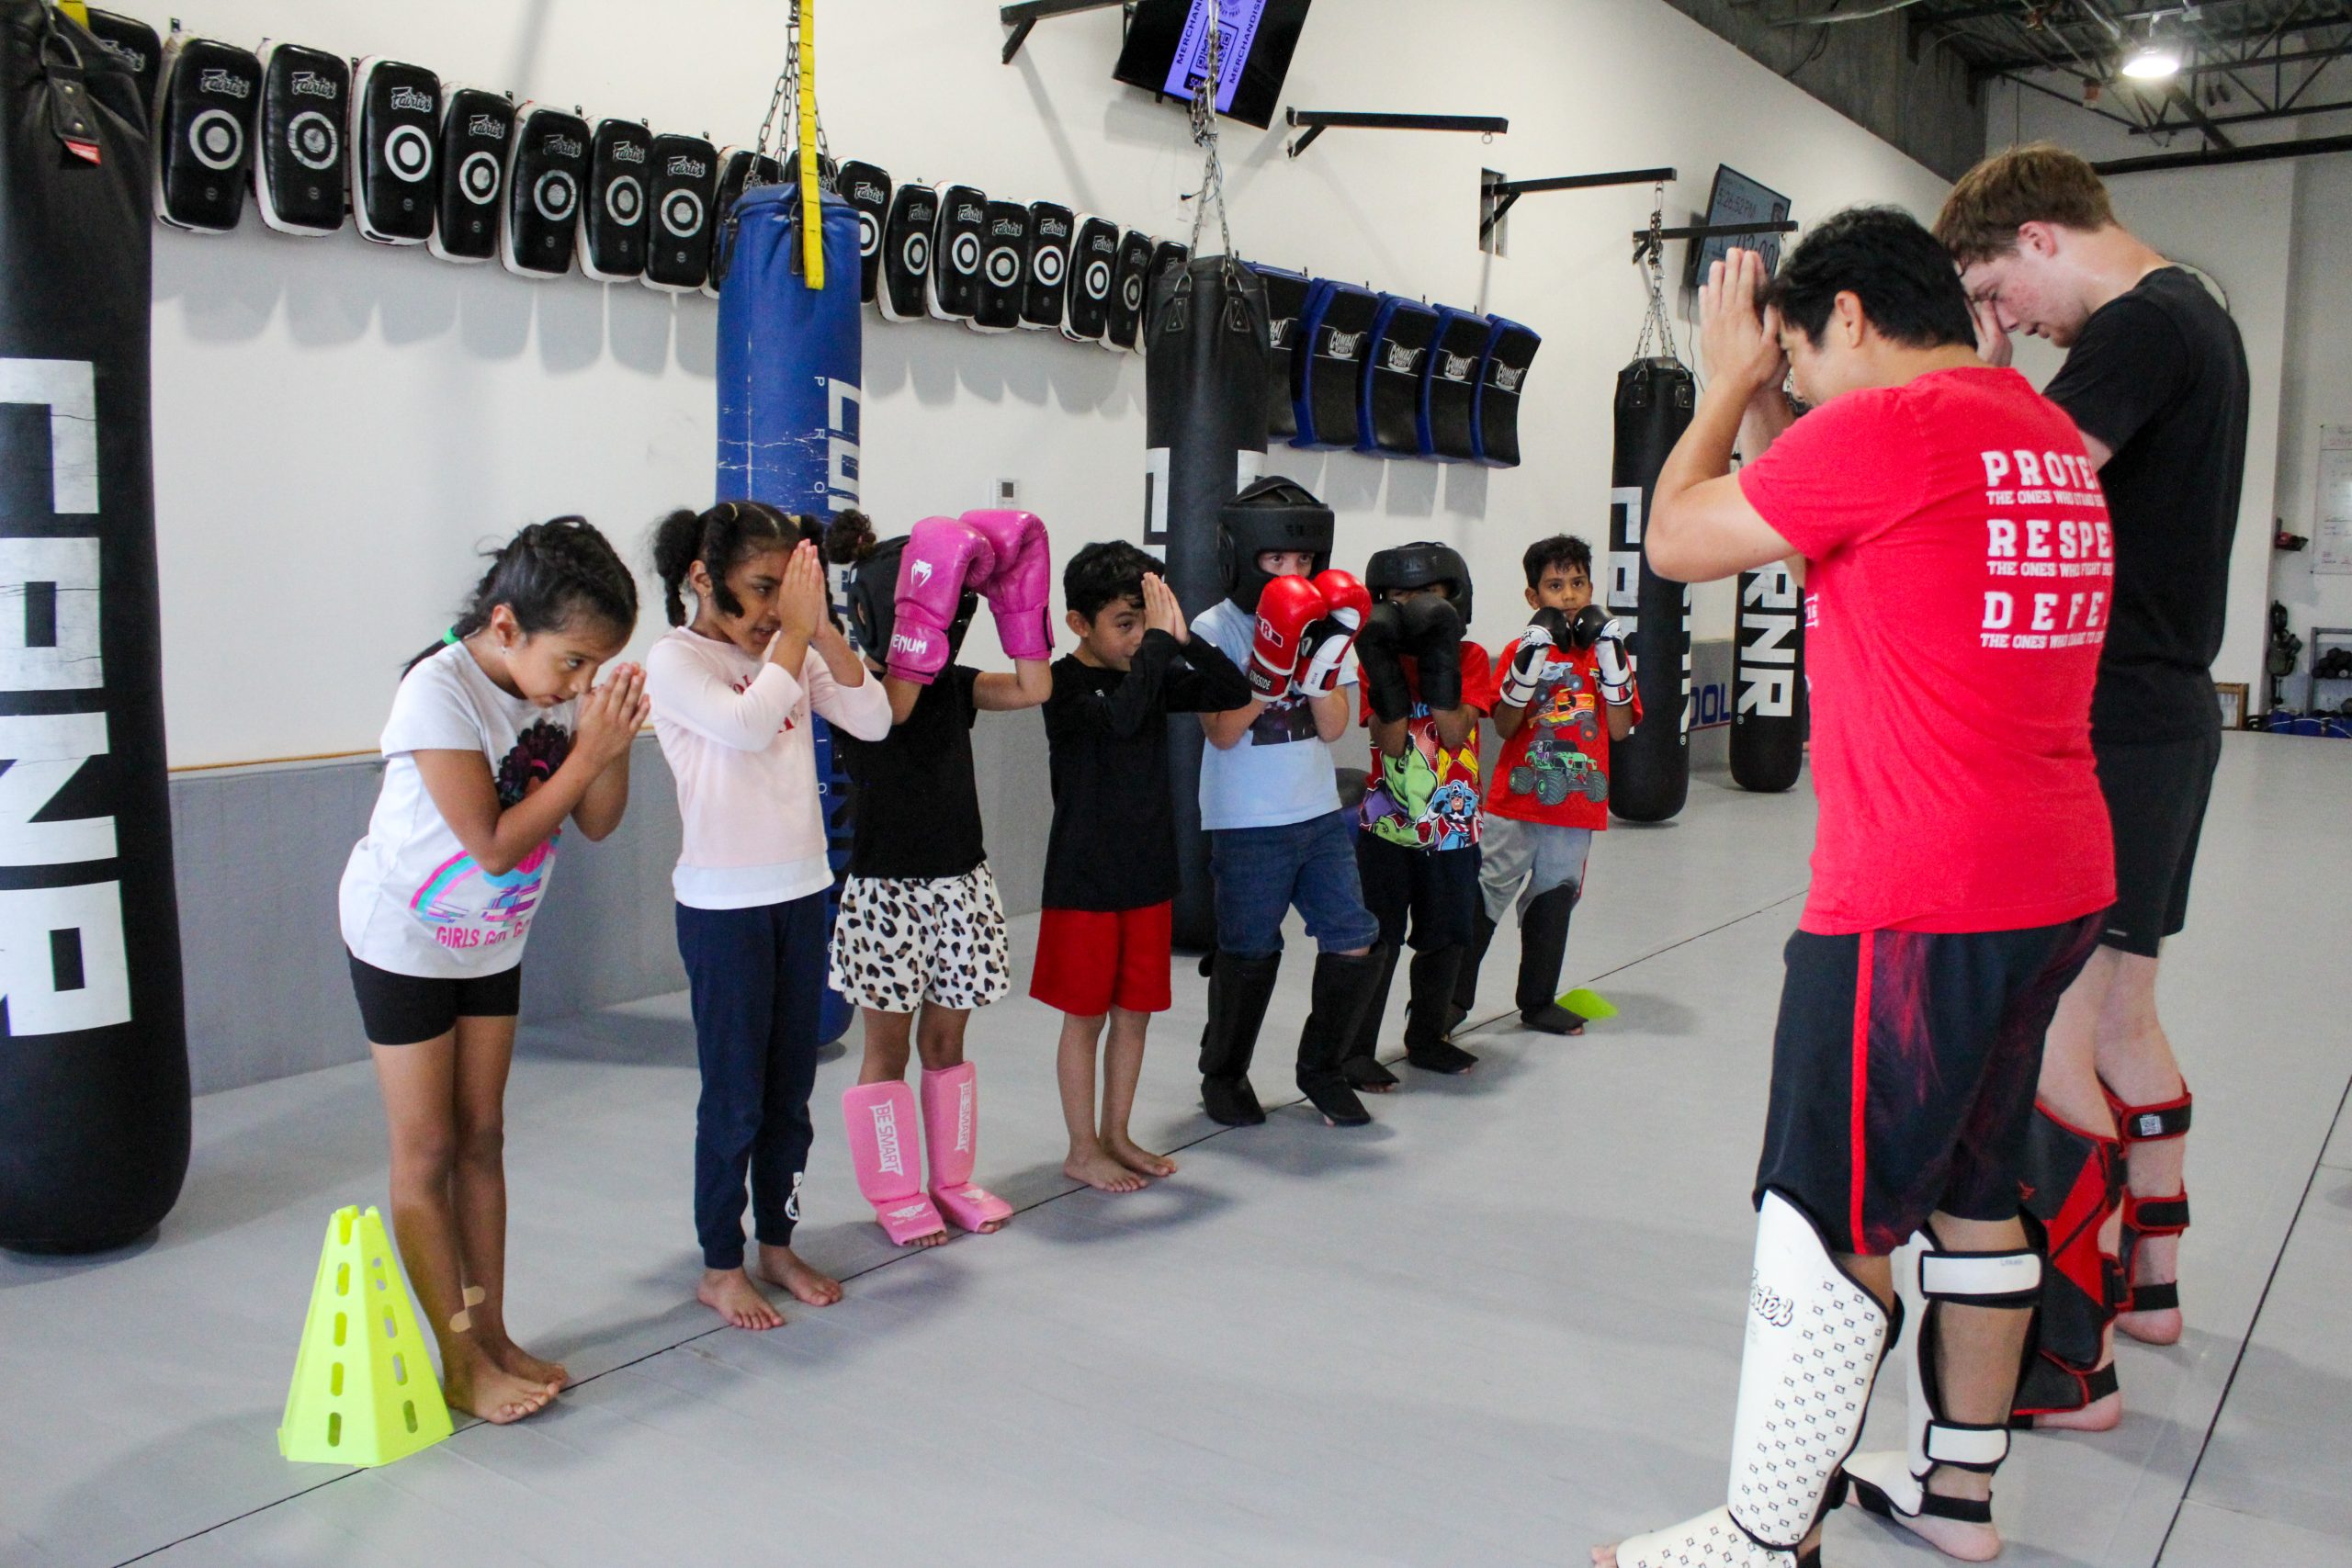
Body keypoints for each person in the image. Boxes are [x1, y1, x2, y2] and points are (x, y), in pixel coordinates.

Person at [1596, 210, 2115, 1567]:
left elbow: (1677, 542)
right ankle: (1958, 1495)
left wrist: (1717, 391)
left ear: (1849, 321)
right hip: (2051, 878)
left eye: (1799, 363)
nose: (1794, 393)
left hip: (1915, 894)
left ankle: (1766, 1537)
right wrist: (1777, 408)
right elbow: (1829, 518)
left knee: (1822, 1213)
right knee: (1973, 1185)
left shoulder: (1893, 430)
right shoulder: (2040, 434)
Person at [1937, 142, 2246, 1427]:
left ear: (2044, 239)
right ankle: (2154, 1286)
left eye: (2002, 288)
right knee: (2122, 1015)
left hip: (2111, 721)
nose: (2010, 320)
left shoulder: (2136, 327)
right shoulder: (2202, 314)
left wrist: (1975, 374)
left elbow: (2014, 484)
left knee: (2055, 1033)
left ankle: (2069, 1365)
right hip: (2168, 716)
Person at [338, 517, 647, 1425]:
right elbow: (496, 843)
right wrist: (587, 748)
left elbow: (595, 822)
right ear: (506, 627)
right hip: (405, 939)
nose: (581, 683)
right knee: (428, 1150)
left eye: (600, 667)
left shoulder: (552, 688)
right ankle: (459, 1358)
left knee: (485, 1138)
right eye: (575, 662)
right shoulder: (436, 694)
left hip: (490, 943)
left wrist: (610, 743)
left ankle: (494, 1333)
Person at [644, 502, 892, 1330]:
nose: (769, 614)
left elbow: (875, 717)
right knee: (735, 1099)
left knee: (790, 1093)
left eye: (785, 593)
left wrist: (819, 633)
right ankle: (721, 1263)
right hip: (723, 910)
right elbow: (747, 727)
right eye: (760, 591)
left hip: (799, 893)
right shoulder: (676, 659)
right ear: (703, 579)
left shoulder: (788, 648)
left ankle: (778, 1243)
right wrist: (794, 633)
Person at [822, 510, 1053, 1246]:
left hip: (960, 882)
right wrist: (900, 636)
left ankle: (950, 1181)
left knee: (948, 1045)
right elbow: (891, 708)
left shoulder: (954, 684)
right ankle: (895, 1189)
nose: (949, 623)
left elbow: (1033, 688)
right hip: (887, 889)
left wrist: (1023, 608)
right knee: (885, 1050)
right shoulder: (852, 686)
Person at [1035, 542, 1251, 1191]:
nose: (1136, 640)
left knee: (1135, 1012)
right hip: (1085, 880)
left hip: (1146, 873)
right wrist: (1157, 648)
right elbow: (1122, 720)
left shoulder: (1150, 664)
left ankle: (1117, 1132)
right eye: (1122, 625)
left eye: (1142, 621)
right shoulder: (1060, 684)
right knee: (1087, 1017)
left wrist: (1183, 638)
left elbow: (1230, 690)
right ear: (1079, 623)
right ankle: (1081, 1146)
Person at [1191, 478, 1385, 1129]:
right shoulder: (1212, 627)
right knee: (1249, 949)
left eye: (1303, 561)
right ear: (1245, 558)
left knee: (1354, 936)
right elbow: (1220, 730)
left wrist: (1316, 665)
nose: (1292, 573)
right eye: (1277, 560)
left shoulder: (1328, 623)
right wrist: (1268, 672)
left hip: (1318, 811)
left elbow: (1334, 726)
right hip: (1247, 822)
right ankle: (1223, 1072)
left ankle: (1321, 1069)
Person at [1453, 536, 1639, 1037]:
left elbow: (1620, 729)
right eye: (1555, 586)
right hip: (1514, 802)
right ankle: (1448, 1003)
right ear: (1534, 598)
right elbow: (1505, 727)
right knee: (1483, 897)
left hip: (1575, 806)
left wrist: (1614, 665)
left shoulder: (1606, 654)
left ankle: (1537, 1002)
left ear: (1592, 588)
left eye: (1578, 583)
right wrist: (1527, 665)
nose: (1570, 596)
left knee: (1554, 900)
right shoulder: (1519, 649)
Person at [1339, 543, 1495, 1086]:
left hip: (1453, 827)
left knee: (1448, 932)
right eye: (1401, 597)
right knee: (1377, 936)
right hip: (1387, 825)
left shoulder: (1471, 657)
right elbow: (1391, 739)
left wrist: (1438, 660)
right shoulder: (1375, 655)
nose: (1414, 607)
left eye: (1428, 595)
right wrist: (1387, 674)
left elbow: (1454, 733)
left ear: (1453, 598)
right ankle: (1355, 1050)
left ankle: (1427, 1037)